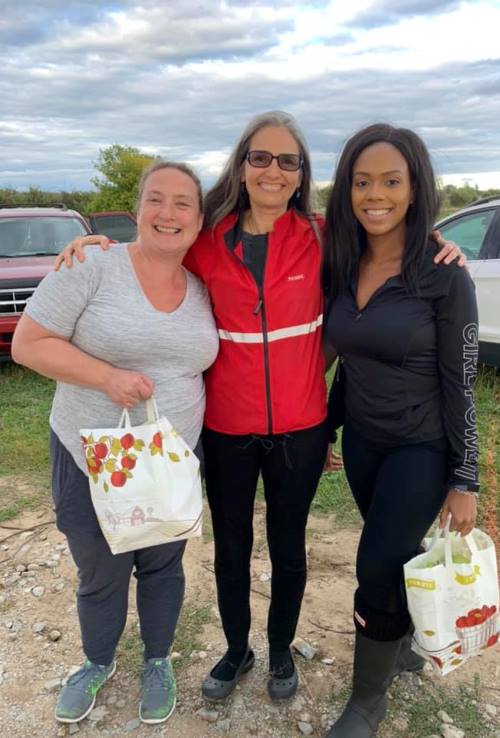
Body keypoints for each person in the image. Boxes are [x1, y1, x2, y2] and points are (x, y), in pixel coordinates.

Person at [55, 111, 464, 704]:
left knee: (290, 546)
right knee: (231, 548)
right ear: (242, 166)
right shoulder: (208, 239)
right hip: (225, 427)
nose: (273, 170)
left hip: (300, 427)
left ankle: (278, 653)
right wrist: (99, 245)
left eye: (288, 161)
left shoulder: (327, 238)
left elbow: (388, 241)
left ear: (302, 175)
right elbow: (154, 249)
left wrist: (435, 240)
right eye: (261, 158)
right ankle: (236, 648)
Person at [11, 162, 219, 725]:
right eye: (157, 200)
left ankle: (157, 661)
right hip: (91, 458)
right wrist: (107, 378)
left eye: (182, 204)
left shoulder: (203, 286)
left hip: (172, 460)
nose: (168, 214)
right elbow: (28, 344)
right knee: (100, 570)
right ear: (137, 210)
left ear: (200, 220)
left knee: (162, 565)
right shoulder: (92, 265)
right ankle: (96, 661)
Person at [322, 123, 479, 738]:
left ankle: (368, 702)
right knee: (395, 557)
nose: (375, 194)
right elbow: (349, 360)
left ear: (415, 189)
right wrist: (327, 429)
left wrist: (464, 478)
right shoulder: (344, 260)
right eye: (362, 182)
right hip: (364, 444)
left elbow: (460, 384)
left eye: (391, 180)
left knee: (375, 566)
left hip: (422, 446)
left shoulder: (445, 274)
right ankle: (406, 642)